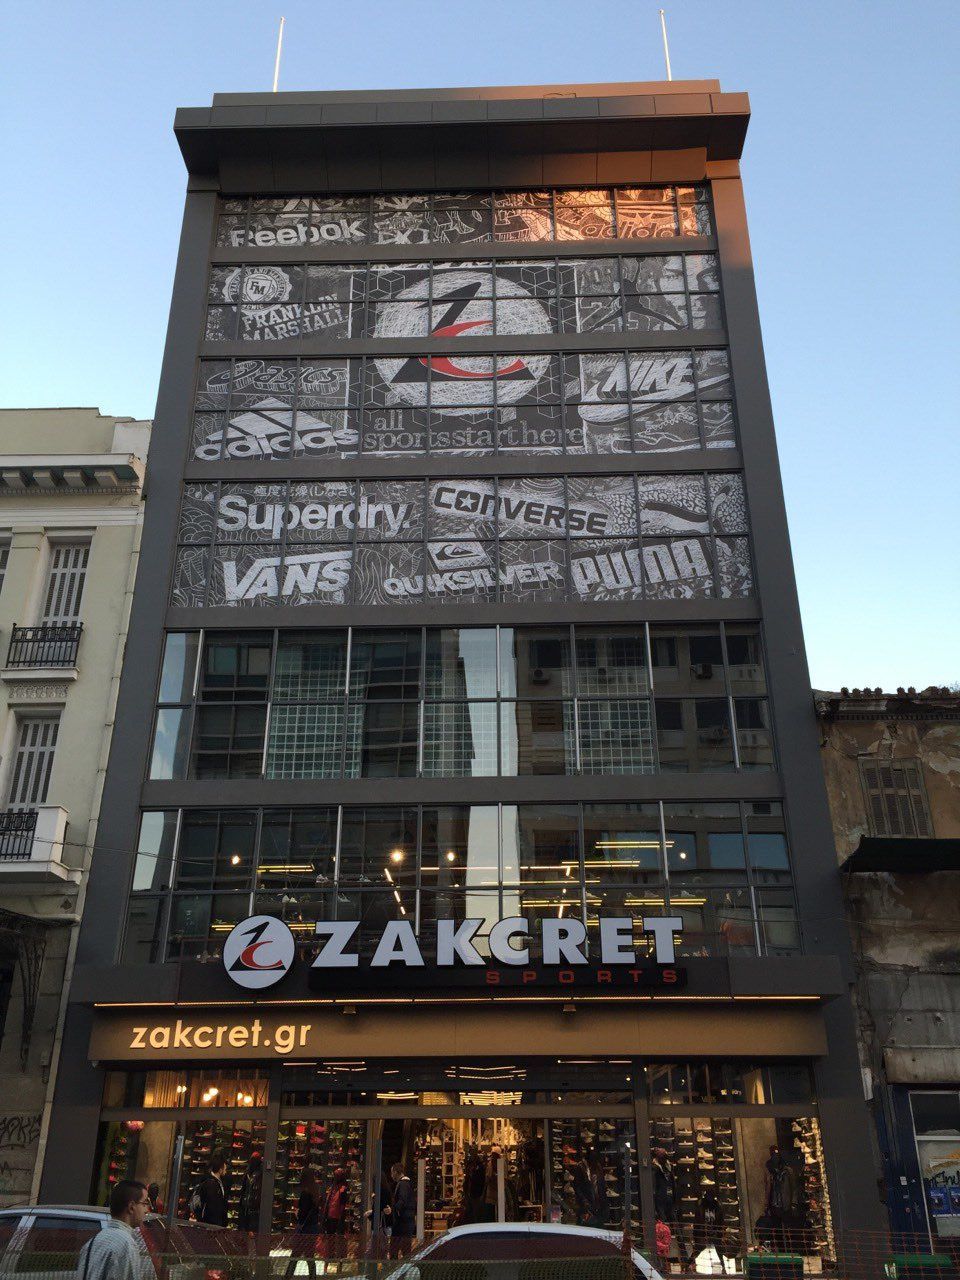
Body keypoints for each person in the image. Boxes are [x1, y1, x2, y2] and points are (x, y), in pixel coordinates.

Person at [77, 1181, 150, 1280]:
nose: (147, 1210)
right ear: (131, 1207)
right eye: (145, 1203)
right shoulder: (126, 1245)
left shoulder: (92, 1242)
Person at [285, 1168, 321, 1280]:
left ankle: (287, 1277)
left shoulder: (305, 1193)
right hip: (312, 1228)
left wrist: (297, 1213)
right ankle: (312, 1277)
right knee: (310, 1255)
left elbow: (303, 1212)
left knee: (295, 1254)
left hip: (304, 1229)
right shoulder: (315, 1191)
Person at [191, 1151, 228, 1227]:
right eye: (224, 1169)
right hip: (210, 1224)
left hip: (211, 1223)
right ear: (220, 1169)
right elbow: (212, 1206)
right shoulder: (211, 1184)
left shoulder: (215, 1181)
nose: (226, 1171)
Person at [389, 1162, 416, 1259]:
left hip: (402, 1222)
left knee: (395, 1247)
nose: (391, 1175)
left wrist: (394, 1210)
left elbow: (402, 1200)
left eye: (392, 1172)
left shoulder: (402, 1184)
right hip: (407, 1221)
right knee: (405, 1248)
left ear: (396, 1172)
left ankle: (394, 1266)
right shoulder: (407, 1183)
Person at [322, 1167, 349, 1261]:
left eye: (336, 1176)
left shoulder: (342, 1189)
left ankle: (339, 1256)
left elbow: (342, 1205)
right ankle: (331, 1255)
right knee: (331, 1237)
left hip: (337, 1216)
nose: (335, 1177)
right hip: (331, 1215)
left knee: (338, 1237)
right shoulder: (334, 1187)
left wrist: (341, 1217)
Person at [237, 1153, 262, 1235]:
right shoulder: (249, 1172)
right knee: (248, 1231)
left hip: (252, 1207)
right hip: (247, 1206)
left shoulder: (258, 1172)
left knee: (251, 1231)